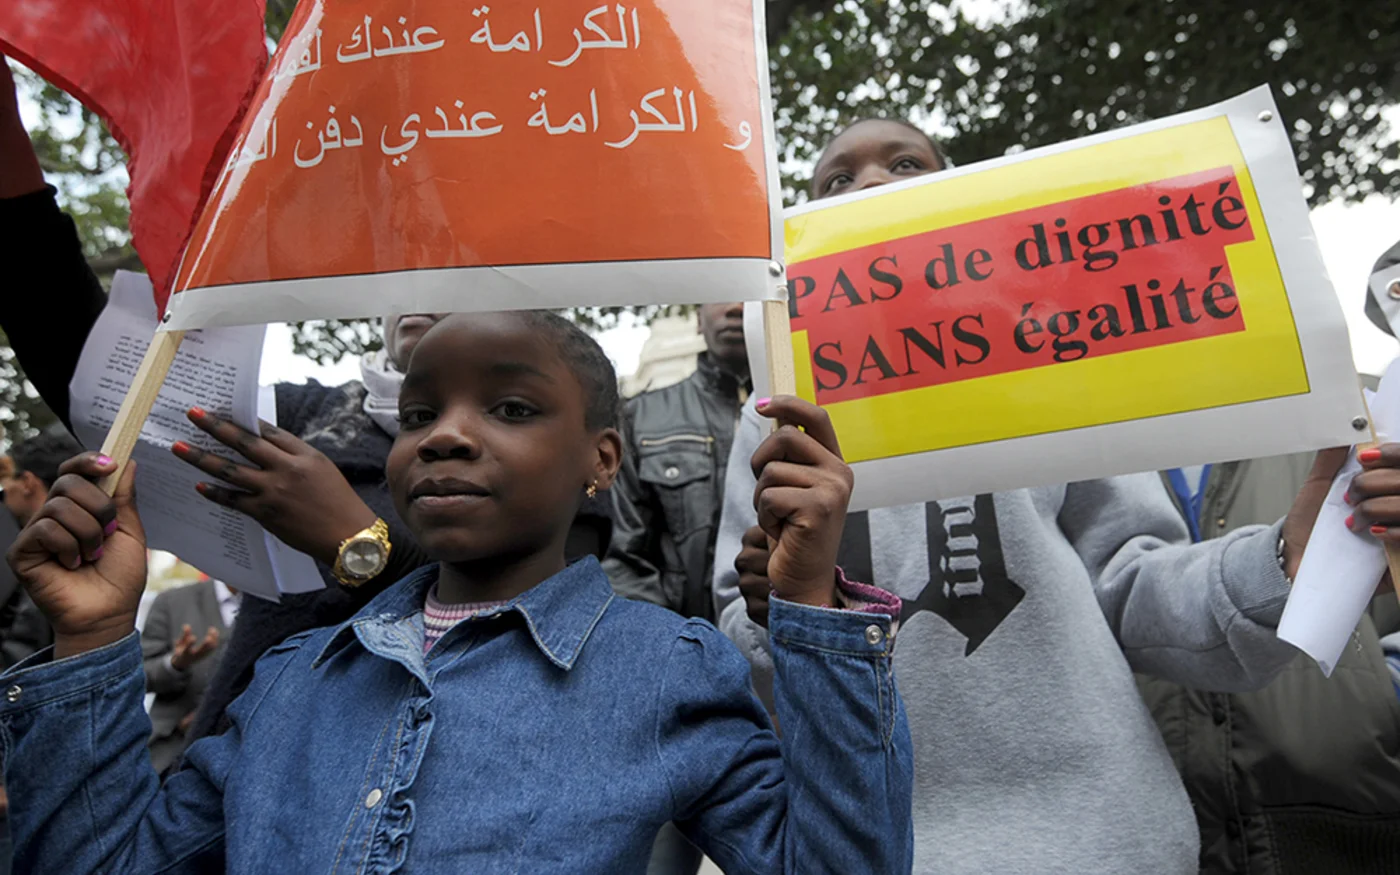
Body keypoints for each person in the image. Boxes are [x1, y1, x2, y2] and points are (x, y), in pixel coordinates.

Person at [712, 117, 1400, 874]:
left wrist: (1279, 561)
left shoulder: (1050, 355)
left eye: (904, 163)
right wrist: (780, 617)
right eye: (836, 181)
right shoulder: (775, 411)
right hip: (875, 845)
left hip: (1108, 840)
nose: (870, 183)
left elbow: (1134, 583)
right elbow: (744, 647)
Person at [1, 311, 912, 874]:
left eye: (511, 409)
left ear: (602, 459)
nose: (445, 438)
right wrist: (92, 638)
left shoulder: (667, 669)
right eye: (421, 414)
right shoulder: (288, 677)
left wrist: (813, 617)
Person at [0, 59, 612, 753]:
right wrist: (14, 185)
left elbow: (534, 634)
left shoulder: (556, 446)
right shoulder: (306, 422)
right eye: (407, 262)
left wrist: (355, 543)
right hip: (243, 786)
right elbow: (97, 375)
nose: (426, 288)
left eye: (461, 267)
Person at [1140, 451, 1400, 874]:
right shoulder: (1076, 443)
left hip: (1358, 813)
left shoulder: (1354, 415)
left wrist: (1388, 686)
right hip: (1147, 836)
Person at [603, 301, 751, 875]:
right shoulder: (642, 415)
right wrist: (673, 665)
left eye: (747, 293)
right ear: (695, 314)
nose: (735, 306)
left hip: (795, 690)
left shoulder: (820, 408)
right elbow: (622, 556)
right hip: (678, 702)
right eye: (720, 292)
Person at [141, 576, 238, 773]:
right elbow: (141, 677)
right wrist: (175, 664)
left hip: (235, 757)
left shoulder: (276, 609)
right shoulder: (172, 601)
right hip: (169, 750)